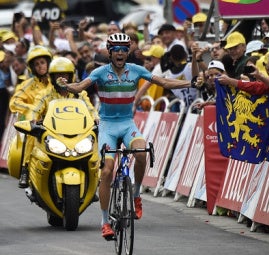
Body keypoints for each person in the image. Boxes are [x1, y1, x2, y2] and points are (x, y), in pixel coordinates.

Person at [56, 33, 197, 239]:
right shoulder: (100, 72)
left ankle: (137, 195)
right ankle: (105, 222)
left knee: (141, 153)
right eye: (116, 50)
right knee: (106, 172)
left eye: (124, 50)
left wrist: (190, 84)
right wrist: (66, 86)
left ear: (128, 52)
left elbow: (164, 82)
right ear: (111, 53)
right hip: (107, 126)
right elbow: (79, 87)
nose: (120, 53)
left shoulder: (137, 70)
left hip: (127, 124)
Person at [9, 45, 53, 188]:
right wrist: (31, 109)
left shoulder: (58, 81)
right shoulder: (27, 84)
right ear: (32, 68)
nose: (40, 66)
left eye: (42, 62)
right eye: (37, 64)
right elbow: (14, 102)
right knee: (32, 135)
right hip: (38, 123)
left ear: (48, 63)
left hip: (59, 121)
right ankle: (25, 169)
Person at [28, 57, 98, 122]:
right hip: (52, 133)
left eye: (64, 74)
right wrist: (32, 119)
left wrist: (96, 118)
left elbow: (90, 109)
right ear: (53, 77)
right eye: (58, 75)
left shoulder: (80, 94)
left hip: (78, 132)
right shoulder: (44, 94)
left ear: (70, 76)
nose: (61, 78)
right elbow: (34, 110)